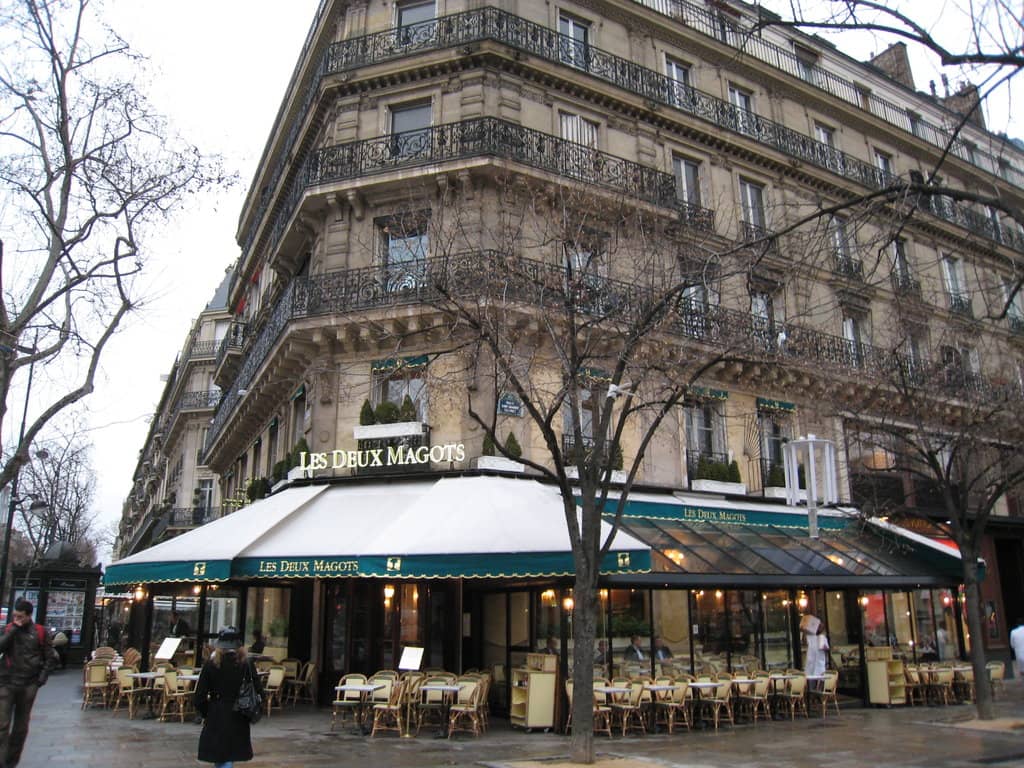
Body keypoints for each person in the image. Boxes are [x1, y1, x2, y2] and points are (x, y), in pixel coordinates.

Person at [0, 599, 58, 768]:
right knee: (2, 725)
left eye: (20, 616)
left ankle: (12, 760)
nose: (16, 619)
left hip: (28, 683)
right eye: (14, 615)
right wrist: (13, 630)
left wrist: (41, 678)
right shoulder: (9, 629)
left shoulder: (40, 632)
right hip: (6, 681)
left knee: (20, 727)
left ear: (28, 616)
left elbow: (50, 657)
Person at [195, 626, 262, 768]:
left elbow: (199, 697)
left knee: (220, 755)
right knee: (230, 754)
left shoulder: (210, 665)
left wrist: (208, 712)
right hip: (239, 714)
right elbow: (259, 692)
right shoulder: (247, 665)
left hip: (216, 713)